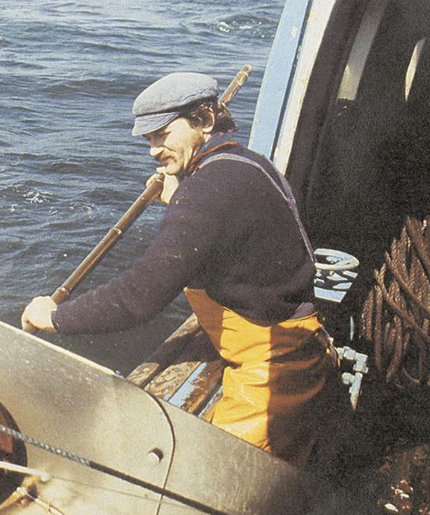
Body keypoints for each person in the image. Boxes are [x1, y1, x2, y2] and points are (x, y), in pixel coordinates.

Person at [21, 72, 338, 466]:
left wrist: (53, 317)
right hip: (298, 339)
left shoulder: (205, 191)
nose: (154, 150)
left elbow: (138, 298)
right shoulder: (243, 162)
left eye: (162, 135)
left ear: (204, 120)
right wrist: (181, 193)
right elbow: (226, 230)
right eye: (148, 139)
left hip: (274, 369)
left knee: (226, 482)